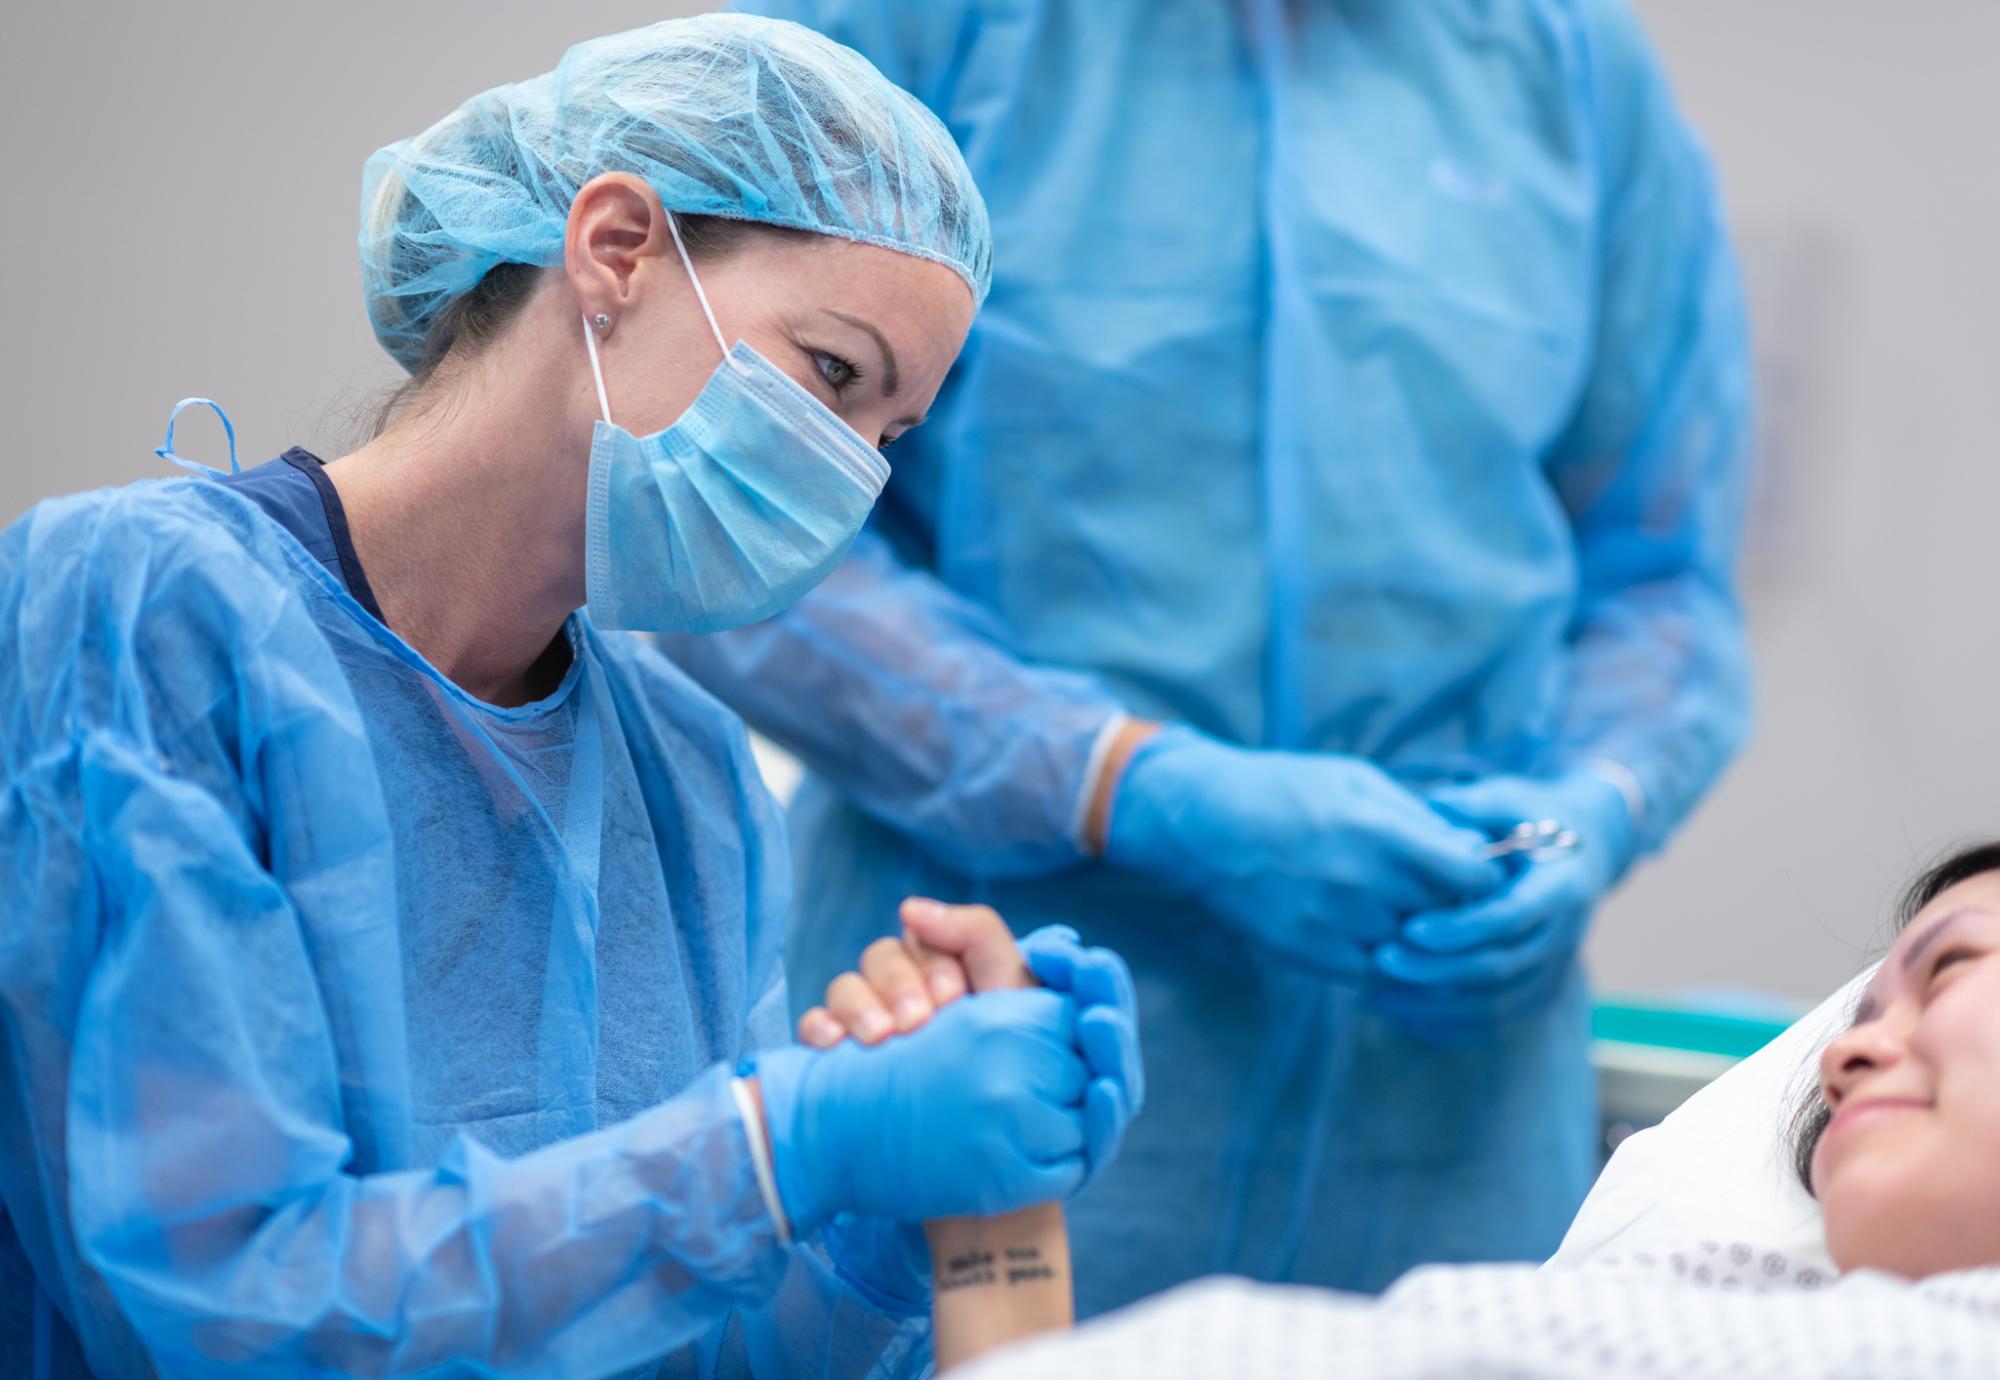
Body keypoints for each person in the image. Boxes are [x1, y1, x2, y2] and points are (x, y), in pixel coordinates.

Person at [0, 15, 1141, 1379]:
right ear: (615, 248)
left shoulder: (689, 776)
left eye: (889, 435)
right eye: (833, 375)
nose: (851, 477)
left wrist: (881, 1224)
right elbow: (219, 1304)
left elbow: (694, 1343)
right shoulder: (143, 613)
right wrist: (776, 1146)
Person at [660, 0, 1755, 1313]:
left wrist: (1597, 809)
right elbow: (739, 519)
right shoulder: (923, 32)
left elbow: (1663, 584)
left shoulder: (1569, 70)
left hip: (1449, 1101)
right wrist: (1120, 783)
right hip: (987, 1011)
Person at [817, 844, 2000, 1379]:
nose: (1845, 1051)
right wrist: (995, 1211)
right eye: (1858, 1008)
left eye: (1945, 971)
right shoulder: (1717, 1312)